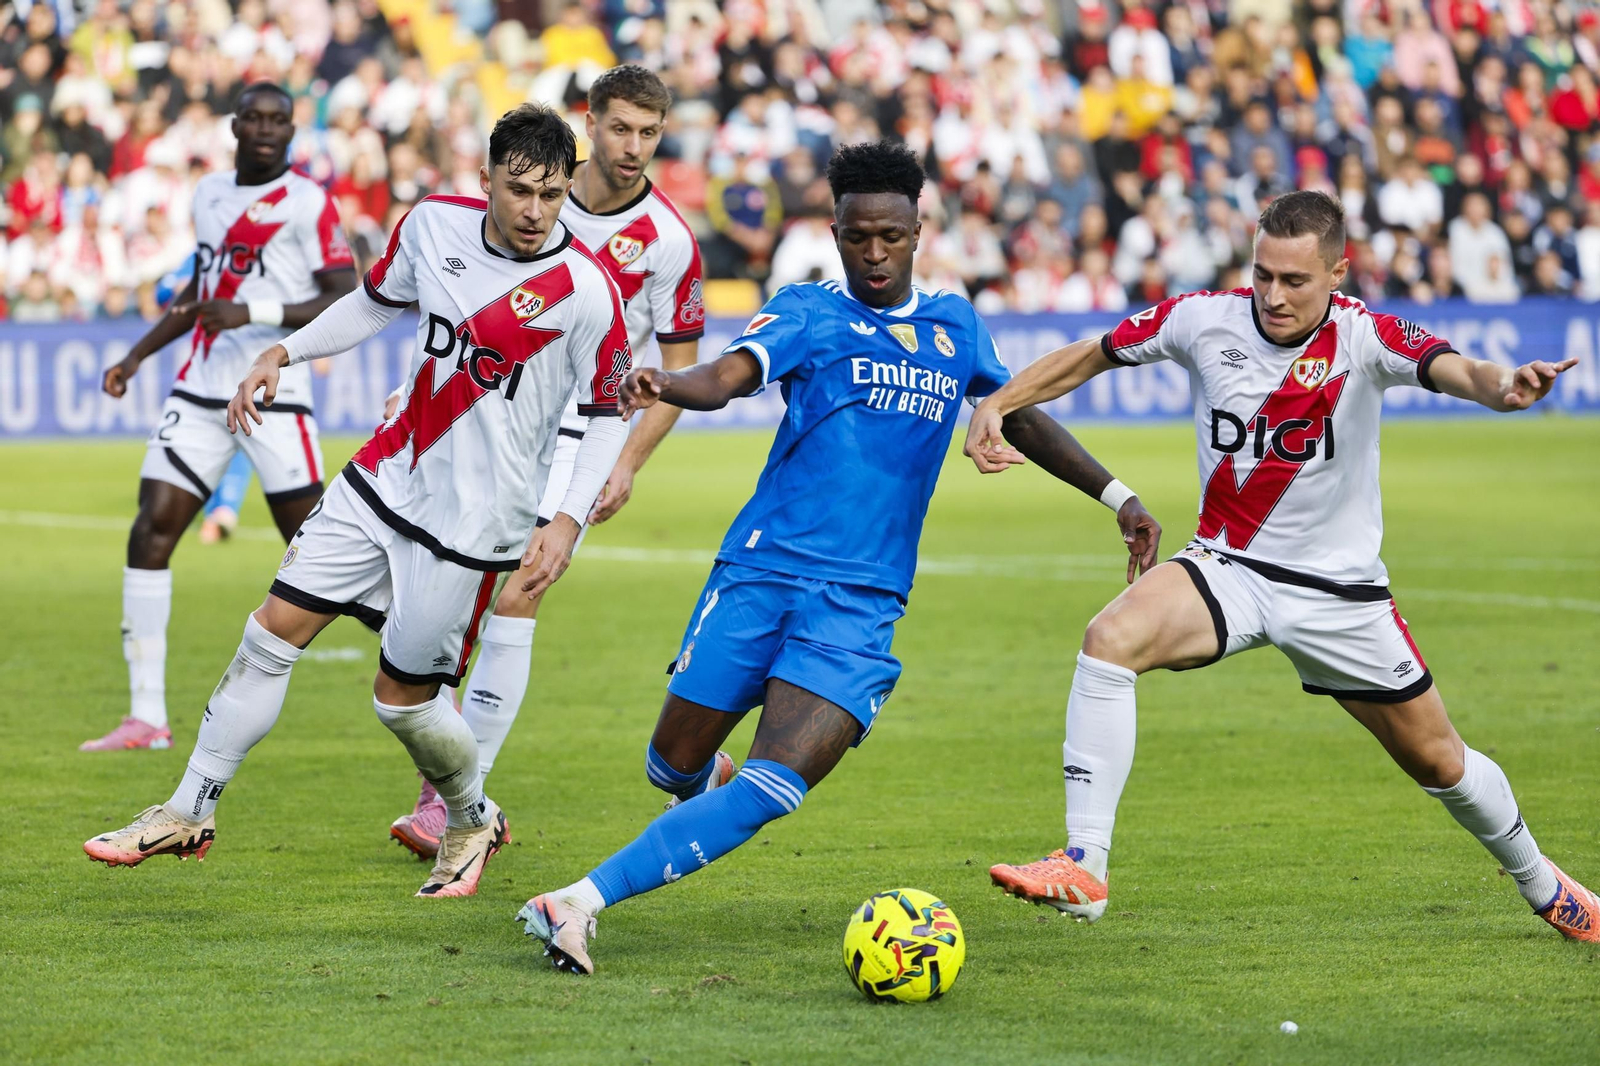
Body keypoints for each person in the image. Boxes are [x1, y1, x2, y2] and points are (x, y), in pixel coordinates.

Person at [516, 141, 1162, 974]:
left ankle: (576, 900)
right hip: (760, 572)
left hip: (860, 602)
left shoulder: (954, 325)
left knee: (774, 785)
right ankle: (702, 797)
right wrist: (665, 384)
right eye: (858, 237)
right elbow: (728, 376)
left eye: (891, 236)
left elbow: (1020, 412)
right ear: (836, 233)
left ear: (918, 231)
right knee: (669, 764)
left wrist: (1119, 497)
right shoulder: (807, 312)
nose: (875, 253)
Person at [970, 190, 1597, 942]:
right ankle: (1085, 866)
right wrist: (999, 403)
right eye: (1262, 274)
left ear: (1337, 272)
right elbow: (1091, 354)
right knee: (1109, 639)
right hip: (1228, 568)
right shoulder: (1202, 318)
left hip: (1339, 595)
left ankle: (1545, 885)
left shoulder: (1366, 336)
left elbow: (1456, 370)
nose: (1273, 296)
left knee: (1440, 762)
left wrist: (1505, 388)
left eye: (1295, 281)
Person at [83, 104, 633, 900]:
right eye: (519, 190)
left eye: (551, 195)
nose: (535, 211)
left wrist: (566, 521)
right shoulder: (433, 226)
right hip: (382, 478)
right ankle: (187, 810)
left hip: (474, 525)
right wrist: (284, 351)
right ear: (486, 179)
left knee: (402, 705)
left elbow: (611, 412)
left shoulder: (584, 289)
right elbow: (373, 304)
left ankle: (471, 817)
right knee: (269, 633)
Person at [387, 65, 706, 860]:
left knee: (521, 588)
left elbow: (679, 372)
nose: (633, 147)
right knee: (448, 595)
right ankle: (454, 789)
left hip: (580, 436)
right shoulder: (531, 194)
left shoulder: (667, 241)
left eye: (649, 132)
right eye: (621, 127)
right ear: (589, 124)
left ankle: (456, 802)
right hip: (485, 417)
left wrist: (626, 462)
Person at [82, 82, 357, 752]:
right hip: (199, 389)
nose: (264, 129)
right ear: (234, 127)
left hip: (273, 392)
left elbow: (344, 292)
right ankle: (146, 717)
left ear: (291, 131)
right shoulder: (207, 194)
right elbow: (205, 290)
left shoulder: (308, 201)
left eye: (277, 120)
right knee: (151, 529)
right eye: (253, 118)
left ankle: (429, 684)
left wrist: (250, 314)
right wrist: (137, 355)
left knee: (322, 555)